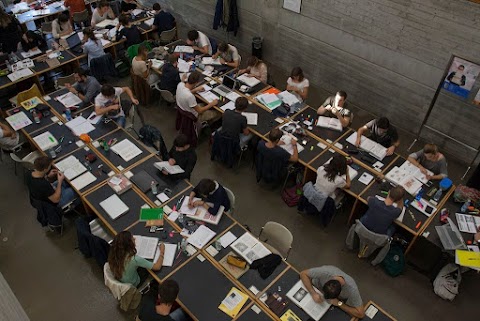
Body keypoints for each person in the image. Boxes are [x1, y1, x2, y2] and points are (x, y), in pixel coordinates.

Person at [299, 265, 365, 318]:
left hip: (331, 304)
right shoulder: (326, 272)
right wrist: (313, 293)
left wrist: (339, 304)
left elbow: (361, 314)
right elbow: (303, 274)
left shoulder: (352, 289)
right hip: (316, 289)